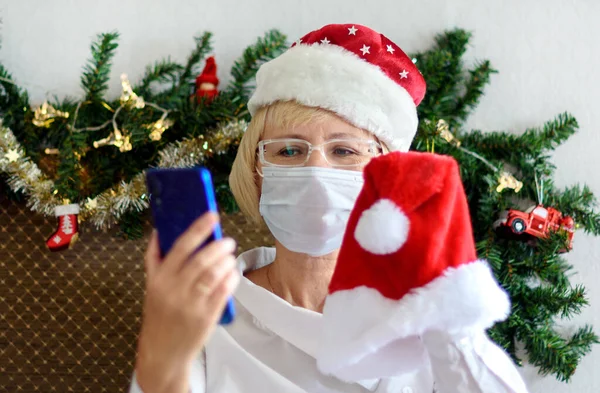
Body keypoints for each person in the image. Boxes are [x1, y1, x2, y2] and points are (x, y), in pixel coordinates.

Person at [130, 23, 529, 393]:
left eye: (344, 150)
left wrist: (447, 313)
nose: (316, 172)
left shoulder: (419, 308)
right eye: (288, 150)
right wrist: (163, 353)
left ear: (385, 176)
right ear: (256, 171)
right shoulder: (207, 304)